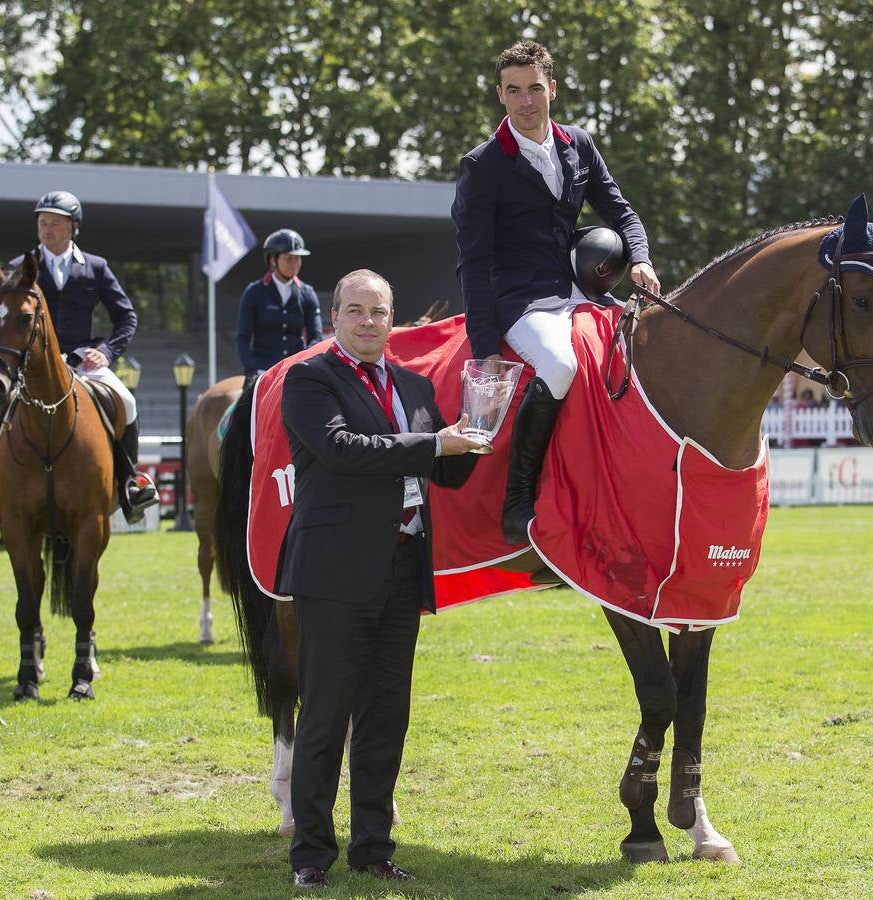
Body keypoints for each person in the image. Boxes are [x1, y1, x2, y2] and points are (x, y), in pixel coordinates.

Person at [276, 269, 486, 890]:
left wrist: (486, 432)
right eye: (356, 310)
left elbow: (446, 474)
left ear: (393, 321)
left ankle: (373, 847)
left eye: (380, 312)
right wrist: (435, 445)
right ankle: (312, 854)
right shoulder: (309, 379)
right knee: (324, 717)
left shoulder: (418, 386)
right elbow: (344, 449)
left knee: (386, 716)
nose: (369, 321)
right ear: (334, 318)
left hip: (401, 568)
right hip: (334, 572)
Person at [451, 40, 658, 545]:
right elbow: (473, 265)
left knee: (646, 350)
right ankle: (517, 497)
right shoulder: (482, 166)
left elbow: (622, 212)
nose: (527, 101)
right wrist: (484, 353)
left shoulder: (579, 145)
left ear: (553, 89)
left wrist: (642, 258)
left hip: (580, 292)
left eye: (535, 89)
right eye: (515, 91)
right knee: (562, 365)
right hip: (519, 299)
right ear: (500, 94)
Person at [0, 190, 158, 525]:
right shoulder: (18, 267)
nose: (47, 229)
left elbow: (126, 317)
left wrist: (107, 351)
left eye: (55, 223)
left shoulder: (96, 268)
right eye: (42, 223)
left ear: (73, 227)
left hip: (83, 360)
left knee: (127, 401)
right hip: (30, 367)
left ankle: (130, 482)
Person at [234, 228, 323, 381]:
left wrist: (305, 362)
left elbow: (316, 337)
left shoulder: (308, 294)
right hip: (262, 372)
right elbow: (243, 337)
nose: (294, 264)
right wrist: (251, 369)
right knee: (243, 405)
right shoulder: (254, 293)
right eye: (289, 258)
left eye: (298, 258)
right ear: (273, 260)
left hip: (296, 371)